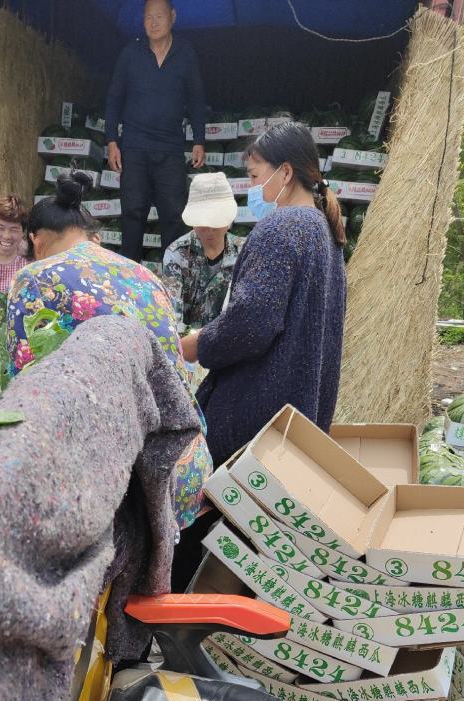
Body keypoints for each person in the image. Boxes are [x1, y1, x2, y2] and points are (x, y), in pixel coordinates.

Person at [173, 121, 347, 590]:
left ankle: (181, 625)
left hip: (254, 411)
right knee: (250, 540)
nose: (252, 188)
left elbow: (251, 323)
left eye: (254, 176)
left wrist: (195, 345)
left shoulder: (284, 228)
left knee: (204, 526)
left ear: (284, 172)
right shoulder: (325, 233)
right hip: (294, 412)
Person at [6, 172, 212, 531]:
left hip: (119, 489)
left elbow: (26, 390)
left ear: (35, 241)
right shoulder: (145, 276)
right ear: (90, 235)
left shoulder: (35, 278)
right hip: (185, 469)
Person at [105, 0, 206, 264]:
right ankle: (130, 282)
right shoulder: (130, 52)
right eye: (148, 17)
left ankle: (172, 283)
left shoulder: (186, 52)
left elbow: (196, 98)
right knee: (132, 213)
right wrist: (112, 141)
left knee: (173, 215)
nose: (153, 22)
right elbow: (114, 98)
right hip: (134, 147)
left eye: (159, 16)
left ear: (172, 16)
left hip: (171, 148)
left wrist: (199, 139)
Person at [162, 172, 244, 330]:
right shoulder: (176, 253)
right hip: (188, 345)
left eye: (216, 221)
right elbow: (172, 313)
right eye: (203, 221)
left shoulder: (244, 251)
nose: (210, 229)